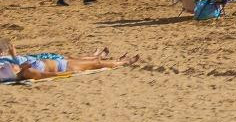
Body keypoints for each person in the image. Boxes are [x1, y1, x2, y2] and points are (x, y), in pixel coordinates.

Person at [2, 49, 141, 83]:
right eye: (11, 67)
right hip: (65, 68)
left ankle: (118, 61)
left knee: (95, 63)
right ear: (14, 72)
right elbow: (51, 75)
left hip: (63, 63)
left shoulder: (23, 66)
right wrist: (68, 74)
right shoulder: (28, 73)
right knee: (96, 64)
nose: (13, 65)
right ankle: (123, 62)